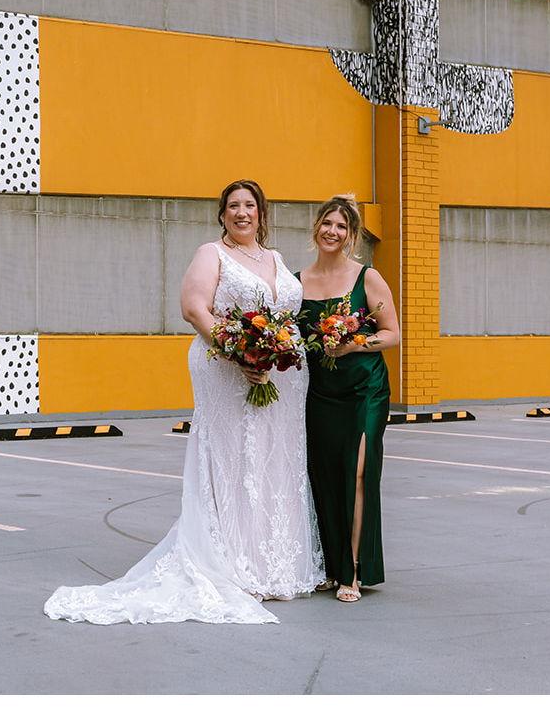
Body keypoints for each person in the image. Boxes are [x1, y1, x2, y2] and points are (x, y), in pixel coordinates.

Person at [44, 179, 325, 625]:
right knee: (233, 458)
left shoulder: (275, 258)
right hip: (226, 370)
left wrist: (275, 353)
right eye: (233, 206)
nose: (242, 213)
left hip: (283, 378)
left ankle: (275, 565)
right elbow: (194, 309)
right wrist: (241, 355)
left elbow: (285, 313)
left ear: (261, 213)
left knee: (274, 460)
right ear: (222, 214)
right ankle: (232, 564)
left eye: (250, 205)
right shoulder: (211, 254)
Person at [297, 195, 399, 604]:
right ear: (316, 227)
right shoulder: (297, 281)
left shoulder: (367, 278)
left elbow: (392, 333)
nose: (332, 231)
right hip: (319, 391)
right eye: (327, 223)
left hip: (364, 389)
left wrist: (354, 344)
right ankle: (329, 565)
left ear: (351, 235)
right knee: (323, 474)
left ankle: (354, 570)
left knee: (358, 471)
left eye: (341, 226)